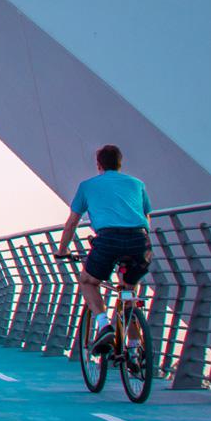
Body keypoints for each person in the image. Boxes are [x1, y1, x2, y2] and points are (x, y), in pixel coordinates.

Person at [56, 144, 152, 353]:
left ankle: (103, 324)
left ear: (98, 165)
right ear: (120, 163)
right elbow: (146, 218)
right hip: (140, 241)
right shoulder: (137, 184)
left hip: (108, 239)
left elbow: (72, 222)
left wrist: (62, 250)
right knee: (129, 291)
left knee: (88, 281)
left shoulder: (87, 186)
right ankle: (134, 350)